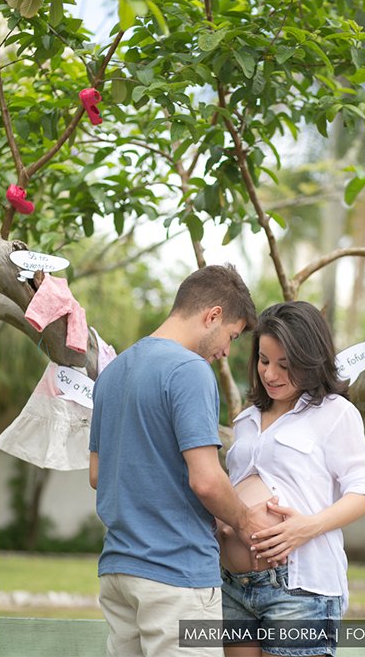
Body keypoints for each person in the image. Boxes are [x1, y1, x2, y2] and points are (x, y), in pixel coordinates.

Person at [89, 263, 276, 657]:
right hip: (177, 575)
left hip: (119, 572)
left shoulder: (114, 371)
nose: (226, 351)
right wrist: (245, 522)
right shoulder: (190, 370)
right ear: (212, 316)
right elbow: (206, 481)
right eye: (231, 336)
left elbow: (97, 475)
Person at [216, 301, 365, 657]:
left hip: (299, 587)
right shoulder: (246, 419)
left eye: (285, 365)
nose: (271, 374)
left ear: (311, 361)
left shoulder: (335, 413)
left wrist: (305, 527)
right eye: (264, 360)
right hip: (233, 585)